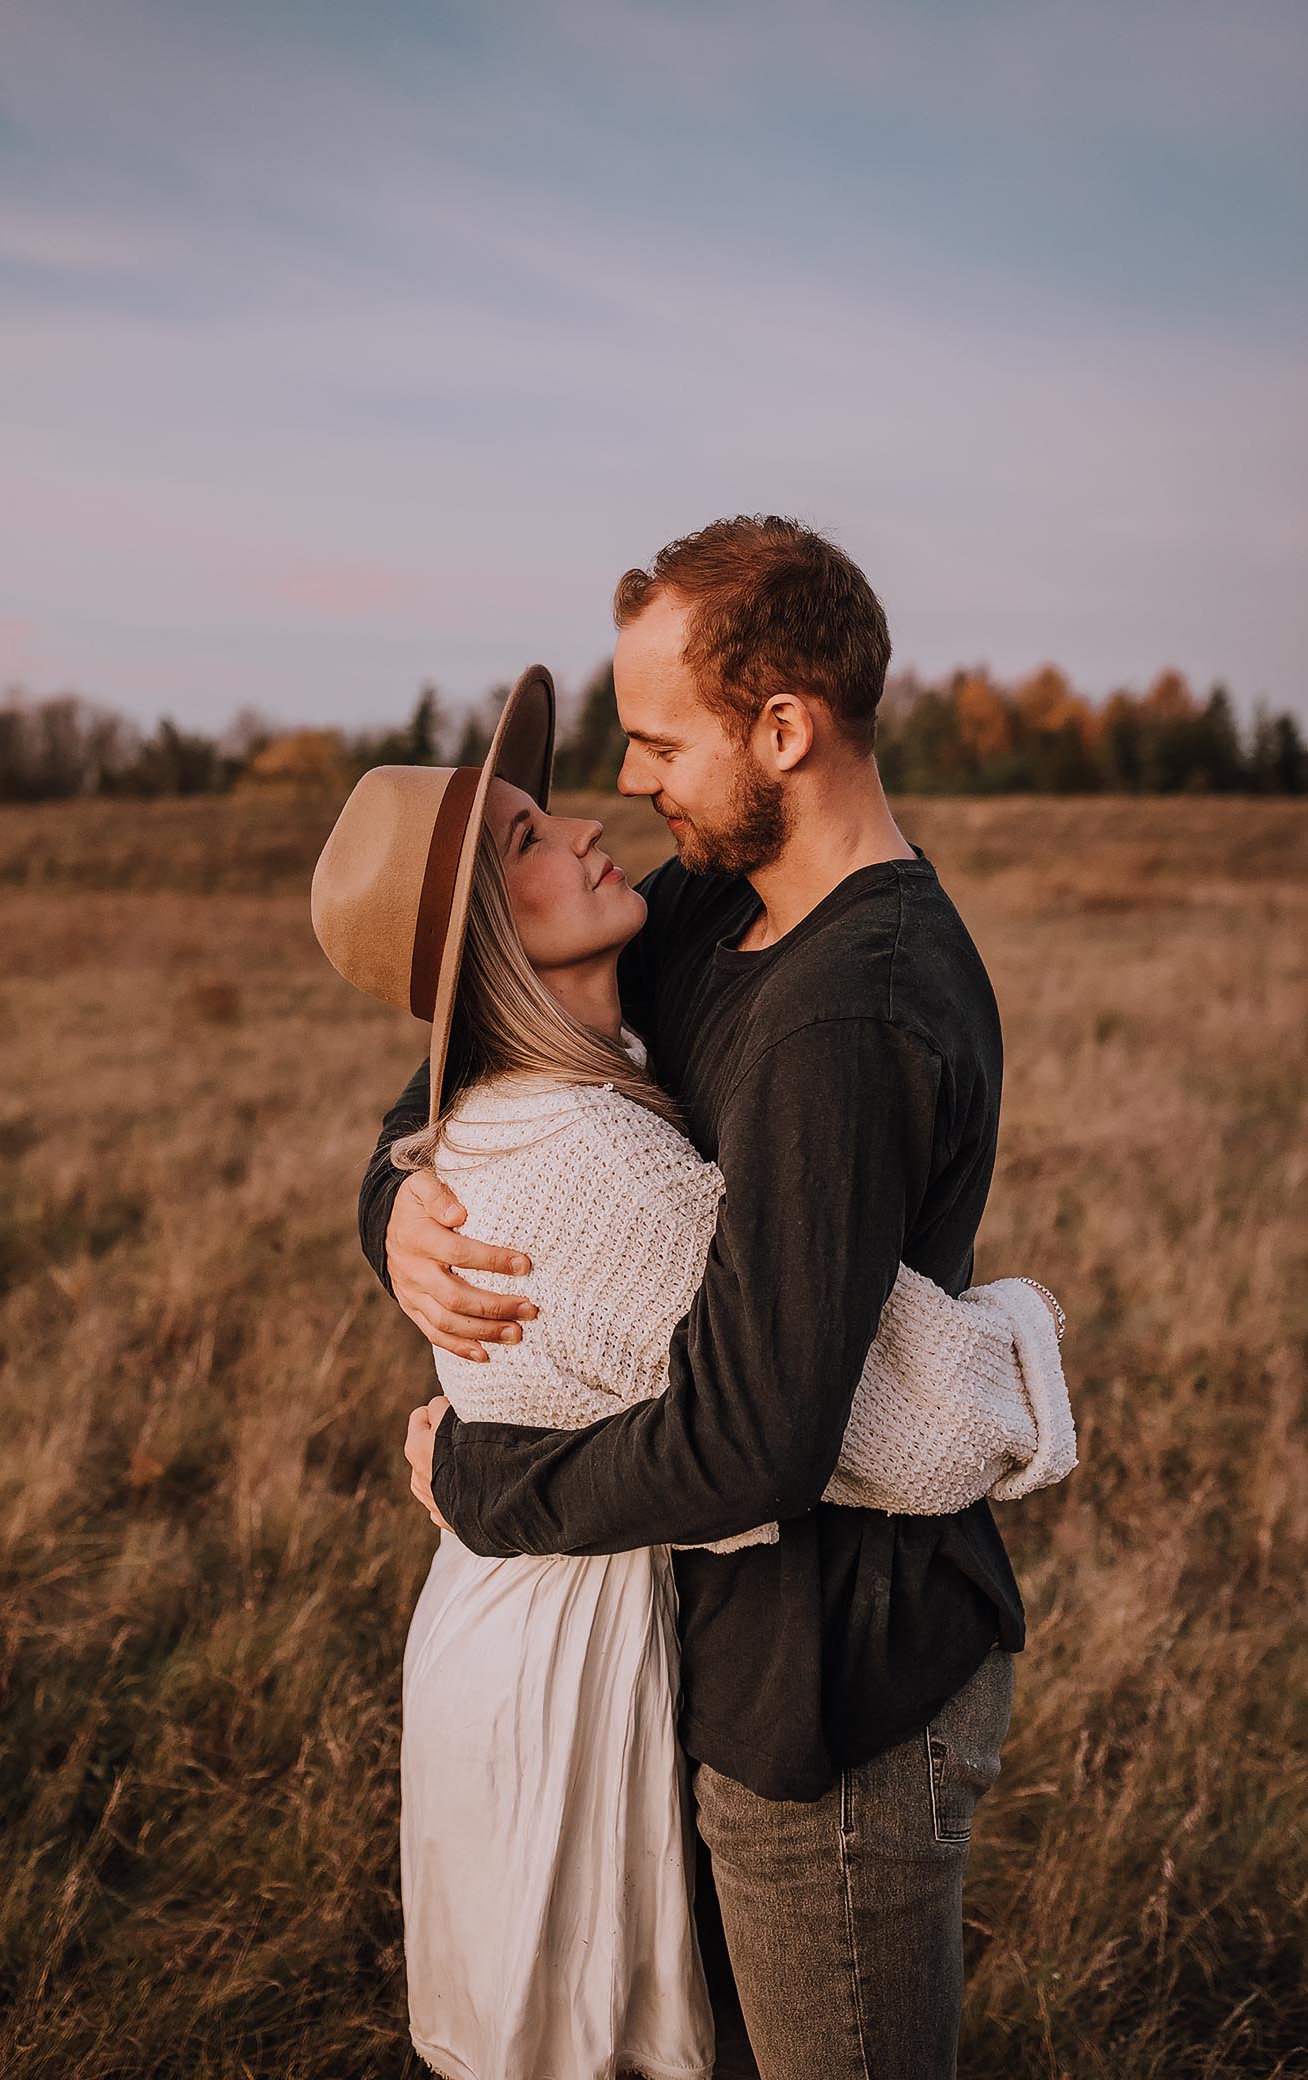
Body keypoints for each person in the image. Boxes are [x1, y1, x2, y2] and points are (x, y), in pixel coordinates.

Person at [319, 527, 1073, 2077]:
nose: (631, 780)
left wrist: (477, 1483)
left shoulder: (845, 1013)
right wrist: (393, 1206)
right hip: (727, 1648)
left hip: (840, 1687)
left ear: (781, 731)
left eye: (662, 738)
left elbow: (753, 1439)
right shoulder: (710, 906)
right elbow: (471, 1039)